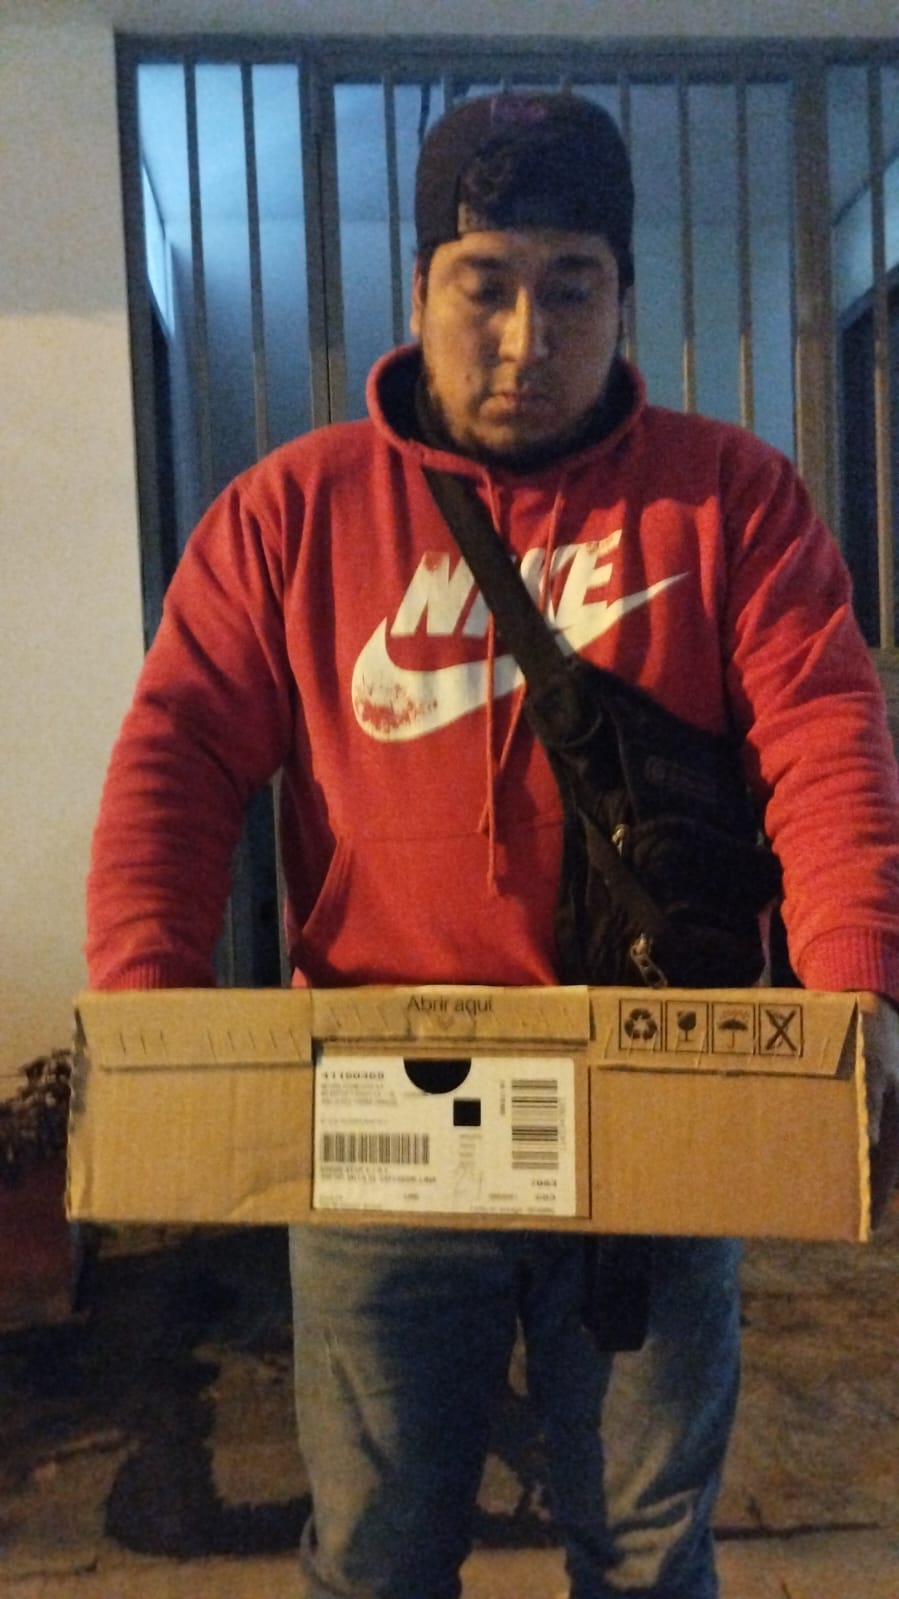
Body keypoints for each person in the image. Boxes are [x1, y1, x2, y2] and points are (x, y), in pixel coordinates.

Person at [87, 92, 899, 1598]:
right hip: (384, 1125)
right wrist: (145, 1018)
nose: (527, 336)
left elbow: (826, 741)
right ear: (420, 294)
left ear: (624, 298)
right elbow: (177, 759)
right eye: (487, 286)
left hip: (654, 1104)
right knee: (380, 1553)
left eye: (570, 287)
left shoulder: (733, 503)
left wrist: (857, 994)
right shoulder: (289, 516)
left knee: (647, 1551)